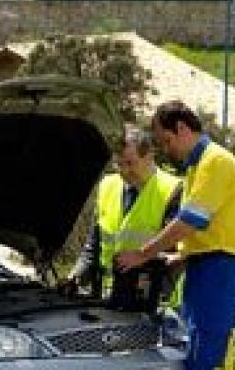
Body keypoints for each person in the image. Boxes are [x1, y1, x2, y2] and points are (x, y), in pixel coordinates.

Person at [117, 101, 235, 370]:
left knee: (211, 356)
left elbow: (191, 221)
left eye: (165, 140)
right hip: (203, 265)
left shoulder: (215, 162)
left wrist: (144, 254)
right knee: (199, 354)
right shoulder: (198, 166)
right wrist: (179, 259)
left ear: (182, 129)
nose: (166, 150)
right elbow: (201, 229)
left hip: (219, 268)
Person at [66, 125, 181, 302]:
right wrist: (74, 278)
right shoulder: (107, 186)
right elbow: (94, 246)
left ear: (150, 156)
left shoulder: (172, 190)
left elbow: (175, 256)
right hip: (107, 297)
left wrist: (158, 299)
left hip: (149, 300)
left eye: (130, 163)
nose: (124, 171)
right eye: (119, 164)